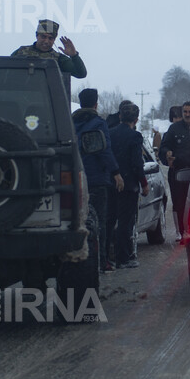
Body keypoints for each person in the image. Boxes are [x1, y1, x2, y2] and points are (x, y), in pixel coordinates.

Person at [72, 88, 124, 271]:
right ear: (96, 104)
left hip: (73, 178)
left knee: (76, 221)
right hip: (96, 179)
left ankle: (76, 260)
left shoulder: (69, 122)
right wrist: (116, 172)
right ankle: (100, 262)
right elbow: (104, 150)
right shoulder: (98, 123)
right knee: (99, 221)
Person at [157, 100, 190, 240]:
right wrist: (167, 153)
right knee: (179, 203)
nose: (188, 114)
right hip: (178, 173)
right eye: (185, 112)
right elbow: (163, 147)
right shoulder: (174, 129)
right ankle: (181, 233)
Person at [107, 101, 149, 268]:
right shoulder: (135, 137)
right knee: (126, 222)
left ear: (119, 116)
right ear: (136, 120)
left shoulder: (110, 133)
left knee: (109, 220)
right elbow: (137, 163)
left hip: (111, 182)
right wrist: (144, 183)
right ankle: (123, 258)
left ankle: (105, 256)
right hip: (129, 185)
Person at [11, 19, 87, 83]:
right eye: (43, 37)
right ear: (37, 35)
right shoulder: (21, 52)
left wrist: (74, 56)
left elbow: (81, 74)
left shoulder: (59, 59)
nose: (46, 41)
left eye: (50, 38)